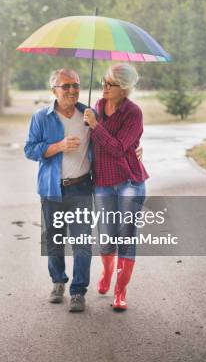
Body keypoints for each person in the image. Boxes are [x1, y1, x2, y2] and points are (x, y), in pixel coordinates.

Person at [24, 68, 142, 313]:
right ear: (53, 91)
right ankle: (58, 283)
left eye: (75, 85)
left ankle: (78, 291)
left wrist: (136, 151)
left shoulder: (89, 113)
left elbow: (118, 139)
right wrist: (58, 146)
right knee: (54, 240)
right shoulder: (41, 118)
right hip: (51, 189)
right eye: (65, 86)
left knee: (82, 243)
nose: (71, 90)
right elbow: (29, 150)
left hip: (81, 187)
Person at [83, 63, 148, 311]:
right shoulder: (97, 106)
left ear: (123, 88)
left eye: (109, 84)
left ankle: (120, 292)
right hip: (102, 183)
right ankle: (107, 273)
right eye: (103, 81)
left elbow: (119, 148)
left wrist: (96, 127)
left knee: (127, 237)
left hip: (128, 182)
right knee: (106, 234)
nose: (104, 87)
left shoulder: (133, 113)